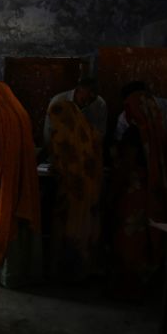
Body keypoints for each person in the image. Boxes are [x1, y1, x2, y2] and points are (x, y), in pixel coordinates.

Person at [0, 81, 42, 288]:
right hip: (22, 174)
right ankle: (20, 270)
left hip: (2, 177)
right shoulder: (20, 114)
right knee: (17, 217)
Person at [109, 83, 167, 300]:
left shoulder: (134, 134)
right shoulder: (158, 130)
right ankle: (145, 287)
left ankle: (129, 290)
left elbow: (125, 166)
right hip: (154, 196)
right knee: (147, 240)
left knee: (131, 243)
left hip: (134, 197)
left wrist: (112, 191)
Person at [44, 100, 103, 282]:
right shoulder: (90, 132)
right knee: (85, 228)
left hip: (70, 193)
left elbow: (59, 166)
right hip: (91, 192)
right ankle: (83, 271)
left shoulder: (62, 135)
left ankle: (64, 274)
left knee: (67, 231)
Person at [43, 77, 107, 146]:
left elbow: (100, 132)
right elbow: (48, 134)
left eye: (91, 101)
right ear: (78, 90)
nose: (87, 104)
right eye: (84, 100)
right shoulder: (58, 102)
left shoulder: (100, 104)